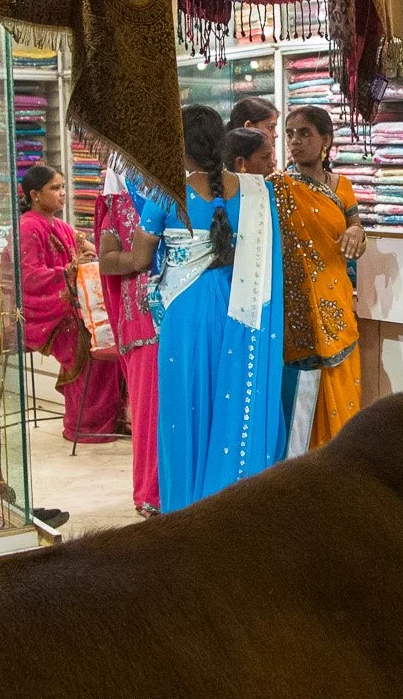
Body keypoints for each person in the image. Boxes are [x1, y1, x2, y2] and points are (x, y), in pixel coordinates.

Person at [127, 105, 284, 512]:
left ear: (180, 144)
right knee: (227, 402)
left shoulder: (167, 192)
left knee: (185, 409)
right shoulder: (256, 191)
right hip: (238, 310)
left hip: (187, 314)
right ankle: (231, 509)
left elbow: (139, 259)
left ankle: (185, 510)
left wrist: (108, 251)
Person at [273, 105, 366, 453]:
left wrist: (358, 233)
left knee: (340, 387)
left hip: (336, 303)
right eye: (290, 134)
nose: (295, 142)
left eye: (305, 133)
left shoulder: (342, 187)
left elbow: (355, 226)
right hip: (296, 312)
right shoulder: (277, 188)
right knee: (299, 398)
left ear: (326, 140)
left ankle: (340, 464)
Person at [15, 163, 124, 450]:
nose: (63, 193)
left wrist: (89, 253)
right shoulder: (27, 227)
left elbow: (83, 246)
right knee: (87, 339)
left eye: (63, 187)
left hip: (71, 305)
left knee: (109, 331)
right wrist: (70, 271)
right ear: (35, 195)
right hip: (47, 311)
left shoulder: (59, 226)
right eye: (55, 188)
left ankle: (109, 419)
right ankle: (84, 425)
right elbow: (29, 277)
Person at [92, 161, 162, 515]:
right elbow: (106, 261)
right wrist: (141, 259)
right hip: (144, 316)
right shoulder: (118, 202)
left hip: (186, 309)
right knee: (151, 407)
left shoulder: (181, 192)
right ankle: (151, 494)